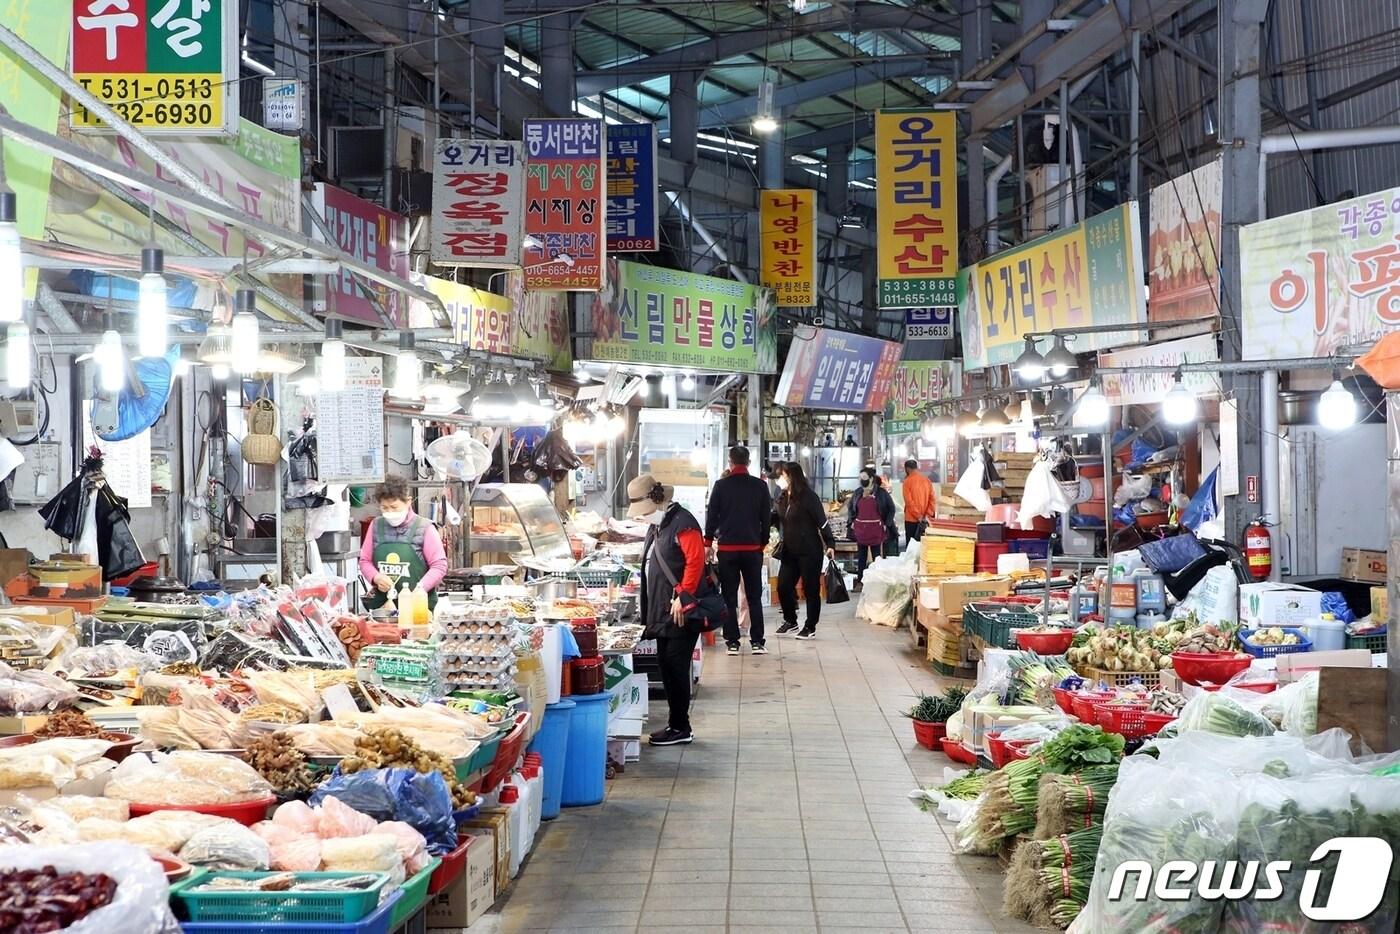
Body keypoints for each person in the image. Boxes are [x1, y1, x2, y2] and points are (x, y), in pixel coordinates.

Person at [630, 473, 706, 746]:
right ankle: (676, 724)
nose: (643, 516)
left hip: (679, 611)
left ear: (658, 501)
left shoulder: (684, 524)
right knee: (667, 665)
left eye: (645, 510)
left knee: (675, 666)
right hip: (664, 608)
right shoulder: (660, 524)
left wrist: (683, 597)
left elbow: (696, 562)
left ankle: (680, 727)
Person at [704, 445, 772, 656]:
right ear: (749, 463)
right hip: (752, 550)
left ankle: (732, 642)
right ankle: (757, 642)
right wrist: (762, 542)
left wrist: (708, 543)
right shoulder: (760, 486)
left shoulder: (720, 486)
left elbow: (712, 516)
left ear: (730, 462)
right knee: (753, 597)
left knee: (729, 597)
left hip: (727, 550)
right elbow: (766, 518)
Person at [360, 475, 449, 611]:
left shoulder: (424, 527)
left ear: (408, 502)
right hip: (384, 609)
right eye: (384, 508)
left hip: (419, 608)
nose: (389, 512)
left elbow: (439, 565)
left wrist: (420, 589)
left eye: (394, 507)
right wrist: (376, 577)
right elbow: (365, 561)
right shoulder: (376, 525)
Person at [772, 462, 836, 640]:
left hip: (810, 550)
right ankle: (791, 620)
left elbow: (822, 522)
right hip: (790, 550)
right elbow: (775, 516)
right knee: (783, 586)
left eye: (782, 476)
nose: (780, 480)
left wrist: (830, 543)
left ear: (791, 476)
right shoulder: (783, 497)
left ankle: (810, 625)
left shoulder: (809, 497)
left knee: (811, 589)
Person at [847, 468, 896, 592]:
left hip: (876, 529)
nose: (862, 481)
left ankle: (877, 581)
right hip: (861, 530)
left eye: (864, 478)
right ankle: (861, 582)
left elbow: (891, 509)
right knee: (861, 557)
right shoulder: (858, 493)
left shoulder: (881, 493)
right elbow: (850, 508)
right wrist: (852, 522)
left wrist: (887, 523)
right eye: (860, 479)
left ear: (871, 479)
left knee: (877, 557)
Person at [902, 458, 938, 544]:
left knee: (911, 547)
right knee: (924, 546)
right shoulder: (926, 480)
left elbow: (909, 502)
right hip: (925, 521)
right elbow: (932, 499)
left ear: (907, 469)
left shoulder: (907, 482)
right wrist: (927, 515)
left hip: (911, 520)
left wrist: (918, 516)